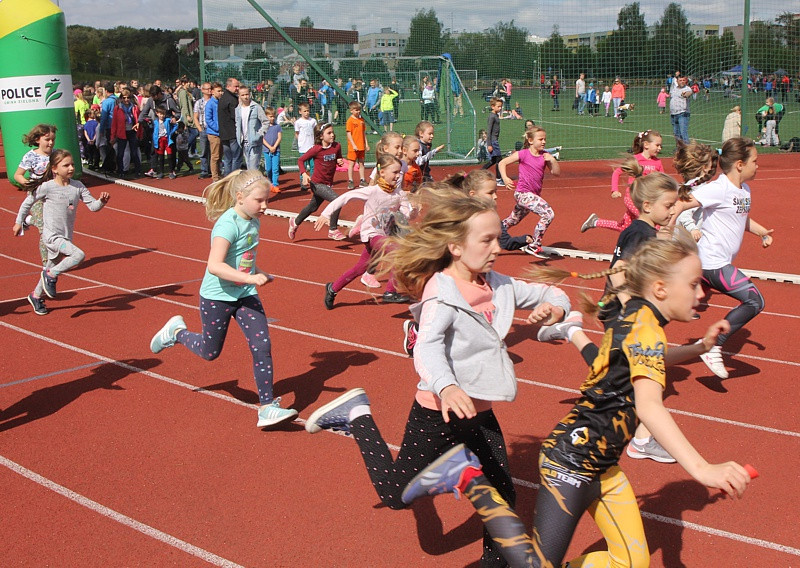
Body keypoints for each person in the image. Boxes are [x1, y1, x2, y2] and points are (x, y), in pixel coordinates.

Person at [304, 185, 572, 567]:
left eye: (499, 238)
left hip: (478, 411)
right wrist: (446, 387)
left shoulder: (499, 284)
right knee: (396, 495)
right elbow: (427, 347)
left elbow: (553, 293)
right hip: (437, 413)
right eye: (488, 240)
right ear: (456, 247)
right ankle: (357, 416)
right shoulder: (441, 292)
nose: (498, 247)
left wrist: (555, 311)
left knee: (503, 497)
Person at [149, 169, 298, 429]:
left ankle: (266, 407)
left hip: (245, 294)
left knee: (262, 346)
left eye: (267, 201)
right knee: (210, 352)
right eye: (260, 201)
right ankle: (176, 332)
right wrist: (252, 279)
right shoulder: (228, 224)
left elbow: (243, 258)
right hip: (217, 297)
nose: (265, 206)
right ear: (240, 197)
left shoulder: (253, 220)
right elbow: (215, 265)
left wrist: (258, 273)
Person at [673, 137, 773, 379]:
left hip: (715, 265)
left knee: (676, 307)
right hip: (711, 264)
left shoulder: (744, 190)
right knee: (754, 301)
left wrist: (762, 233)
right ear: (740, 164)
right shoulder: (718, 187)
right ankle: (715, 345)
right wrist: (666, 228)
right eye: (755, 161)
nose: (758, 165)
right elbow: (680, 204)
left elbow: (740, 218)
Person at [13, 150, 110, 315]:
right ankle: (51, 275)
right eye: (66, 165)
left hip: (66, 236)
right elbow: (27, 202)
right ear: (55, 169)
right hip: (51, 236)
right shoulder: (47, 187)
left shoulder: (77, 186)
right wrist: (18, 222)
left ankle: (35, 296)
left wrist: (101, 201)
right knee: (78, 256)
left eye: (72, 164)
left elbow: (93, 207)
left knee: (50, 266)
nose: (71, 168)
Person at [316, 155, 410, 307]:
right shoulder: (373, 191)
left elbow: (407, 214)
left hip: (383, 235)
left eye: (400, 172)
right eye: (394, 172)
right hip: (372, 234)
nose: (398, 175)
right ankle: (390, 291)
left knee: (360, 269)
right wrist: (326, 213)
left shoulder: (399, 194)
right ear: (382, 172)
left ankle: (332, 289)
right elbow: (346, 197)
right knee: (397, 253)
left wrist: (413, 210)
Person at [581, 130, 664, 233]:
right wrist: (614, 190)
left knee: (624, 227)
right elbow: (617, 172)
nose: (659, 148)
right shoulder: (635, 160)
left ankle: (595, 222)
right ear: (646, 145)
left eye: (661, 146)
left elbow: (662, 180)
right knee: (648, 220)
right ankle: (656, 243)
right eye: (657, 145)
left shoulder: (658, 162)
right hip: (632, 198)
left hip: (647, 199)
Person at [498, 126, 561, 259]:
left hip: (532, 196)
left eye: (545, 139)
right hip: (523, 194)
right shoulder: (524, 154)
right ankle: (534, 244)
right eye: (541, 139)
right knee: (548, 214)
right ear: (531, 140)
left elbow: (556, 173)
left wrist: (552, 160)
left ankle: (495, 232)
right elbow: (502, 163)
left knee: (512, 220)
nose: (544, 142)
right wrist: (505, 178)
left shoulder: (545, 156)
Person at [288, 123, 345, 242]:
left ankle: (295, 222)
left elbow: (338, 157)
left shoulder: (337, 146)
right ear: (320, 136)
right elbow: (300, 160)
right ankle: (333, 230)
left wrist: (339, 160)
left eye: (332, 132)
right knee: (337, 200)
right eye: (329, 133)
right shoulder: (316, 149)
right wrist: (304, 174)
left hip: (328, 183)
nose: (332, 135)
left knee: (312, 207)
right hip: (317, 184)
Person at [14, 123, 58, 265]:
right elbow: (18, 175)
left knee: (55, 228)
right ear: (38, 139)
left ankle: (28, 221)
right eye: (47, 139)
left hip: (54, 198)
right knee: (44, 229)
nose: (50, 143)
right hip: (36, 197)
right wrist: (29, 185)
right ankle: (47, 263)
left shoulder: (57, 155)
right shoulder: (31, 156)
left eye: (53, 139)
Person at [109, 88, 142, 178]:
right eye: (124, 98)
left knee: (134, 152)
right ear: (121, 98)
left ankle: (138, 170)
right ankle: (121, 171)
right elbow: (114, 123)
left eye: (128, 98)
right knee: (120, 153)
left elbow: (138, 121)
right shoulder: (117, 108)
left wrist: (139, 133)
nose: (126, 100)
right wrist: (112, 136)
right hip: (121, 133)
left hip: (132, 131)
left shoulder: (134, 108)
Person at [235, 85, 269, 171]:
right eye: (242, 95)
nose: (245, 97)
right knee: (249, 167)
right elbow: (237, 124)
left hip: (254, 142)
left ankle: (256, 183)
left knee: (253, 168)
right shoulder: (238, 109)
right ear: (239, 96)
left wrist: (259, 134)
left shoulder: (256, 107)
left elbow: (266, 122)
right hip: (243, 142)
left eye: (247, 94)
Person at [219, 78, 243, 175]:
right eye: (235, 86)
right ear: (228, 86)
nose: (237, 89)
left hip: (224, 134)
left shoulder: (222, 98)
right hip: (233, 133)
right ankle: (233, 179)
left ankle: (226, 179)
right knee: (236, 158)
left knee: (228, 159)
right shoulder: (232, 100)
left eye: (238, 86)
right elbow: (235, 116)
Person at [294, 102, 317, 191]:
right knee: (303, 166)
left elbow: (316, 132)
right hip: (303, 147)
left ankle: (313, 182)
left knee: (313, 166)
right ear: (300, 112)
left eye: (308, 111)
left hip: (312, 147)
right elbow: (297, 133)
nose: (307, 113)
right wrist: (300, 142)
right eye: (305, 111)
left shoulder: (313, 121)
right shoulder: (298, 122)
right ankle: (303, 182)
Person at [345, 101, 369, 189]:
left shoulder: (361, 120)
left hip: (361, 146)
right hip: (353, 147)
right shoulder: (350, 121)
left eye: (359, 110)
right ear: (351, 110)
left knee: (361, 163)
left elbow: (363, 133)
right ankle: (351, 180)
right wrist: (353, 145)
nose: (358, 112)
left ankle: (362, 180)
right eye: (356, 110)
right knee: (351, 164)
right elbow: (349, 134)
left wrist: (366, 144)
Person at [151, 107, 178, 179]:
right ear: (157, 114)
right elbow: (154, 131)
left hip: (167, 140)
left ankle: (171, 171)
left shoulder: (168, 120)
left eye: (163, 114)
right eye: (160, 114)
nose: (162, 116)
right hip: (159, 141)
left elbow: (175, 125)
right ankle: (161, 172)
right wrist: (155, 139)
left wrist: (171, 133)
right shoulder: (155, 122)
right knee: (161, 156)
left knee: (169, 156)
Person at [204, 83, 224, 181]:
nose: (220, 93)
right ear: (212, 92)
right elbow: (208, 119)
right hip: (213, 133)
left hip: (221, 133)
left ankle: (219, 174)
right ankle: (215, 177)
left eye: (221, 91)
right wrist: (218, 128)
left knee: (220, 155)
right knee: (215, 156)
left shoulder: (220, 102)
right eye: (218, 91)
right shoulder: (210, 104)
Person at [482, 98, 504, 185]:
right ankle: (498, 179)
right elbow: (489, 130)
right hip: (493, 142)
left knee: (494, 160)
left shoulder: (496, 116)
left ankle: (479, 172)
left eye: (501, 107)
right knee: (499, 160)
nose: (500, 108)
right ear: (492, 106)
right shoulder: (492, 116)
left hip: (495, 141)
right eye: (498, 106)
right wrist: (489, 144)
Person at [194, 82, 213, 179]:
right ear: (202, 90)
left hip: (213, 129)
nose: (209, 91)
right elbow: (195, 117)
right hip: (204, 128)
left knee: (214, 151)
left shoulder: (214, 101)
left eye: (210, 88)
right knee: (204, 150)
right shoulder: (199, 102)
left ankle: (213, 169)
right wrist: (200, 129)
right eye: (207, 89)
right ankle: (204, 170)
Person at [262, 106, 282, 193]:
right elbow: (262, 138)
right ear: (266, 116)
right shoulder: (264, 127)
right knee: (268, 169)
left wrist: (274, 147)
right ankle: (269, 183)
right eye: (270, 116)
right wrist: (269, 147)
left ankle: (275, 184)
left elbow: (279, 137)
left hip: (276, 150)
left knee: (275, 168)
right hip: (267, 150)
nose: (272, 118)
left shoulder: (277, 126)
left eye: (274, 116)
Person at [670, 73, 692, 143]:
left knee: (683, 133)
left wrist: (684, 94)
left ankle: (687, 150)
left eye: (683, 80)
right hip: (673, 114)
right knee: (676, 134)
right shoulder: (674, 89)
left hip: (682, 113)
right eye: (680, 80)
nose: (682, 81)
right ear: (677, 81)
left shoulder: (687, 88)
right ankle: (679, 149)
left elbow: (688, 93)